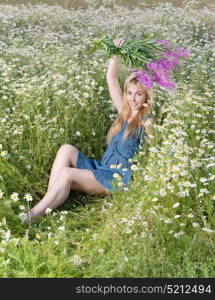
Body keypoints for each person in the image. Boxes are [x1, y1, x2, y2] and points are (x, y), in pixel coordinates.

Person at [27, 38, 154, 221]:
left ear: (146, 96)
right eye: (130, 93)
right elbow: (111, 79)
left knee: (68, 173)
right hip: (102, 169)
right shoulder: (123, 113)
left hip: (116, 179)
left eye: (139, 94)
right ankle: (51, 199)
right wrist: (116, 52)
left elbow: (155, 153)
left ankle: (33, 215)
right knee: (66, 149)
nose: (133, 98)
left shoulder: (146, 122)